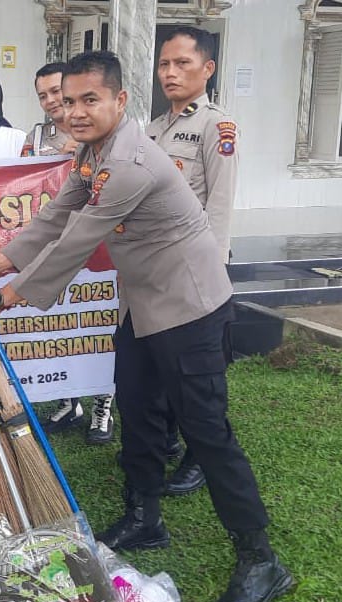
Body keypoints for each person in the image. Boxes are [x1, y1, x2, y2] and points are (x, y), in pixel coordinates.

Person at [0, 52, 292, 602]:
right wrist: (1, 260)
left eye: (90, 100)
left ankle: (260, 558)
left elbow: (78, 240)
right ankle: (144, 515)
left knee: (207, 431)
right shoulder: (94, 152)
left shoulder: (131, 161)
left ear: (119, 102)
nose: (76, 112)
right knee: (137, 407)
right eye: (68, 101)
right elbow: (59, 212)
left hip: (189, 306)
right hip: (143, 305)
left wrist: (0, 299)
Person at [146, 26, 240, 496]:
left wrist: (213, 274)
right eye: (165, 63)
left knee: (198, 380)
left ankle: (199, 456)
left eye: (182, 63)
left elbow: (219, 207)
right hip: (158, 275)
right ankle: (165, 444)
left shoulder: (216, 127)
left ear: (207, 69)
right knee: (165, 372)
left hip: (196, 276)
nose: (170, 72)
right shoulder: (154, 128)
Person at [22, 61, 114, 444]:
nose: (51, 101)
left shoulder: (98, 135)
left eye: (56, 91)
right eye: (42, 95)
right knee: (59, 322)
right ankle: (67, 400)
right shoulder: (36, 134)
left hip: (97, 242)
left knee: (97, 321)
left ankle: (102, 406)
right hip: (53, 241)